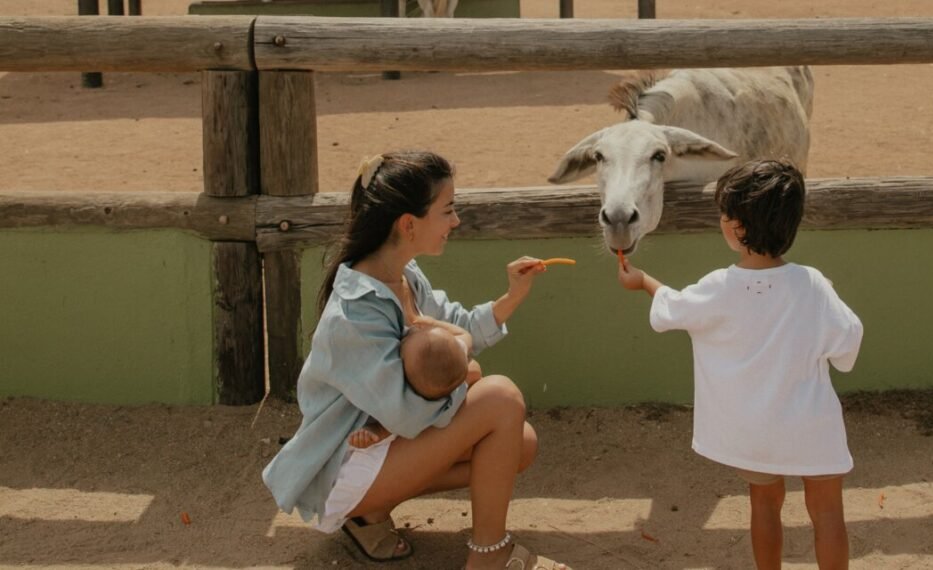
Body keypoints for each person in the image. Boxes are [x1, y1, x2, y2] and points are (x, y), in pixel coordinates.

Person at [262, 151, 570, 570]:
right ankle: (489, 555)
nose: (456, 221)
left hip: (380, 447)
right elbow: (407, 413)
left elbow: (455, 327)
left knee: (520, 443)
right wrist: (469, 372)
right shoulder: (354, 312)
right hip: (344, 467)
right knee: (500, 399)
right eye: (448, 210)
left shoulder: (403, 274)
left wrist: (510, 298)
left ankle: (368, 515)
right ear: (408, 224)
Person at [616, 159, 863, 570]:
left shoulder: (718, 287)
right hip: (811, 429)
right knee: (828, 514)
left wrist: (642, 280)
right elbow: (846, 347)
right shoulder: (813, 285)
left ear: (735, 227)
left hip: (755, 434)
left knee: (765, 505)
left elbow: (673, 309)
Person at [348, 317, 483, 449]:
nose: (412, 331)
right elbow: (465, 336)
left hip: (398, 433)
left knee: (393, 424)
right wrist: (434, 323)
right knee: (474, 369)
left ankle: (373, 433)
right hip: (424, 429)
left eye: (405, 342)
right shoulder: (452, 353)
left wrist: (375, 430)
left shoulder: (408, 408)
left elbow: (389, 425)